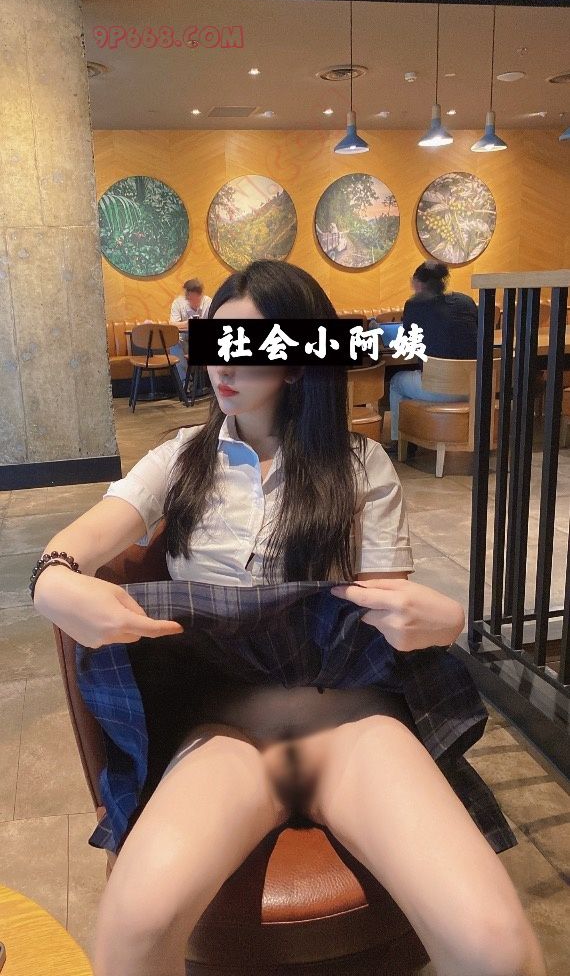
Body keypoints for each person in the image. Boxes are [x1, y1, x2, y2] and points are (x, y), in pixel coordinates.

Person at [32, 260, 545, 976]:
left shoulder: (360, 464)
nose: (223, 365)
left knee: (497, 947)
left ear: (300, 362)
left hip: (352, 723)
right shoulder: (180, 459)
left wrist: (441, 620)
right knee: (133, 928)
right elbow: (74, 545)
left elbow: (384, 619)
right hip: (227, 731)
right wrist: (53, 582)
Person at [386, 261, 478, 456]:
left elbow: (407, 342)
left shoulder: (415, 305)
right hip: (473, 387)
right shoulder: (467, 302)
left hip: (439, 389)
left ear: (418, 283)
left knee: (396, 382)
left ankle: (402, 443)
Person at [169, 279, 212, 388]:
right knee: (174, 344)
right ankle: (186, 383)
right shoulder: (178, 303)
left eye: (192, 296)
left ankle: (213, 383)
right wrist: (188, 323)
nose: (189, 298)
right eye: (187, 295)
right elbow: (172, 325)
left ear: (200, 295)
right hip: (184, 341)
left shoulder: (208, 303)